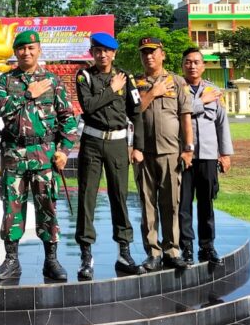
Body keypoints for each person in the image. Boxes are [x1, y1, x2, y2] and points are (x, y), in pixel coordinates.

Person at [0, 30, 79, 283]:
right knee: (12, 207)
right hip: (14, 154)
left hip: (44, 154)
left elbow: (68, 120)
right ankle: (11, 260)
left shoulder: (53, 81)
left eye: (31, 48)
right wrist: (27, 93)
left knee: (47, 206)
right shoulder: (5, 81)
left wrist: (63, 151)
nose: (26, 52)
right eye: (21, 48)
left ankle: (51, 260)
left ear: (39, 50)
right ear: (15, 52)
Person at [73, 32, 143, 280]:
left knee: (119, 197)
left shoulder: (126, 77)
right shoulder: (84, 76)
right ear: (92, 53)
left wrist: (137, 146)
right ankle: (86, 256)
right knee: (87, 198)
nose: (102, 55)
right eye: (98, 50)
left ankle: (124, 252)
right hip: (92, 142)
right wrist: (112, 90)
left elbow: (136, 112)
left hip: (117, 143)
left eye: (107, 51)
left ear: (114, 53)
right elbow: (88, 106)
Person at [131, 36, 194, 271]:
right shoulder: (134, 83)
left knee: (171, 204)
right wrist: (153, 92)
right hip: (143, 154)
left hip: (171, 153)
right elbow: (133, 112)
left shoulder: (177, 82)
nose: (148, 56)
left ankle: (172, 250)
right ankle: (153, 252)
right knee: (147, 204)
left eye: (153, 51)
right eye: (144, 52)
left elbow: (185, 117)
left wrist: (188, 148)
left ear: (162, 54)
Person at [177, 47, 233, 265]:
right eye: (188, 62)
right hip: (184, 155)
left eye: (196, 62)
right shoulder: (176, 89)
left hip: (208, 155)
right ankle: (186, 247)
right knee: (183, 204)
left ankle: (207, 246)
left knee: (206, 203)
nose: (192, 66)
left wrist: (225, 154)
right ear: (182, 65)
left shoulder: (214, 91)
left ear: (203, 66)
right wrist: (202, 101)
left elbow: (222, 123)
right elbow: (177, 112)